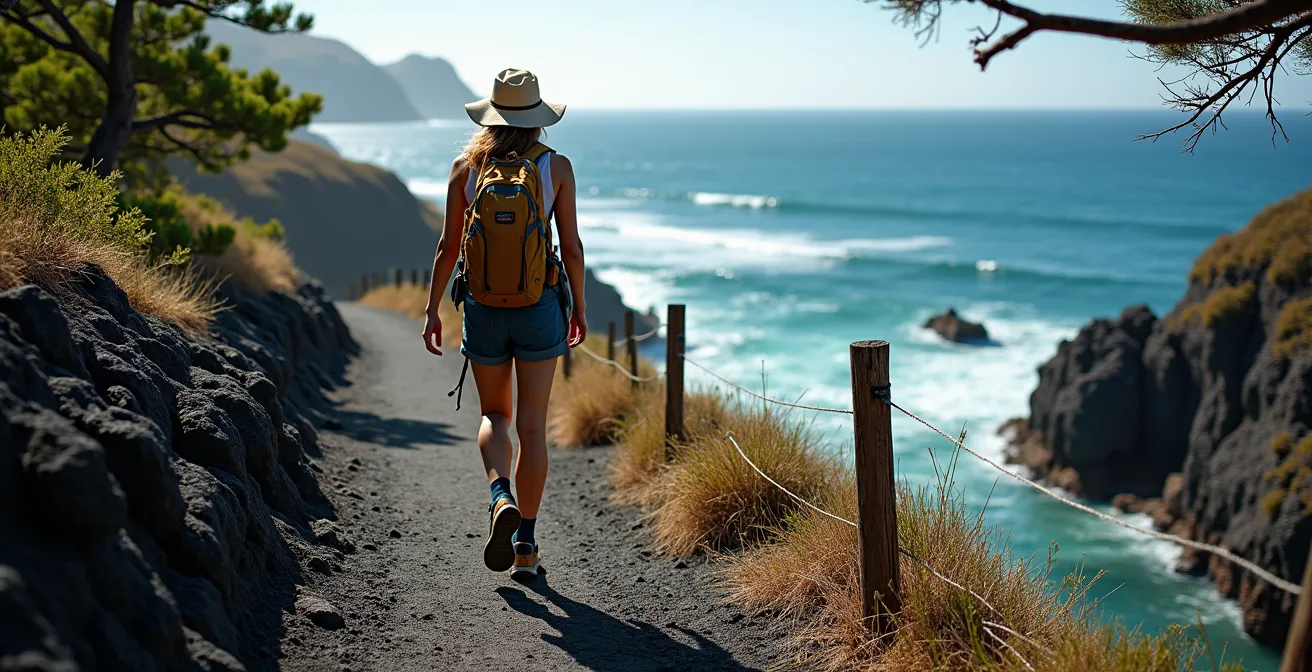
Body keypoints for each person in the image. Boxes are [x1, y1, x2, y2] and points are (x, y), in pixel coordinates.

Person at [421, 68, 587, 583]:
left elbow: (448, 247)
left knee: (495, 414)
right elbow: (573, 246)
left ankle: (500, 497)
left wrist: (432, 310)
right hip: (540, 307)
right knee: (534, 426)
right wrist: (578, 307)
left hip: (484, 309)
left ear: (490, 116)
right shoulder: (555, 167)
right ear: (538, 119)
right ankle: (526, 547)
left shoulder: (465, 169)